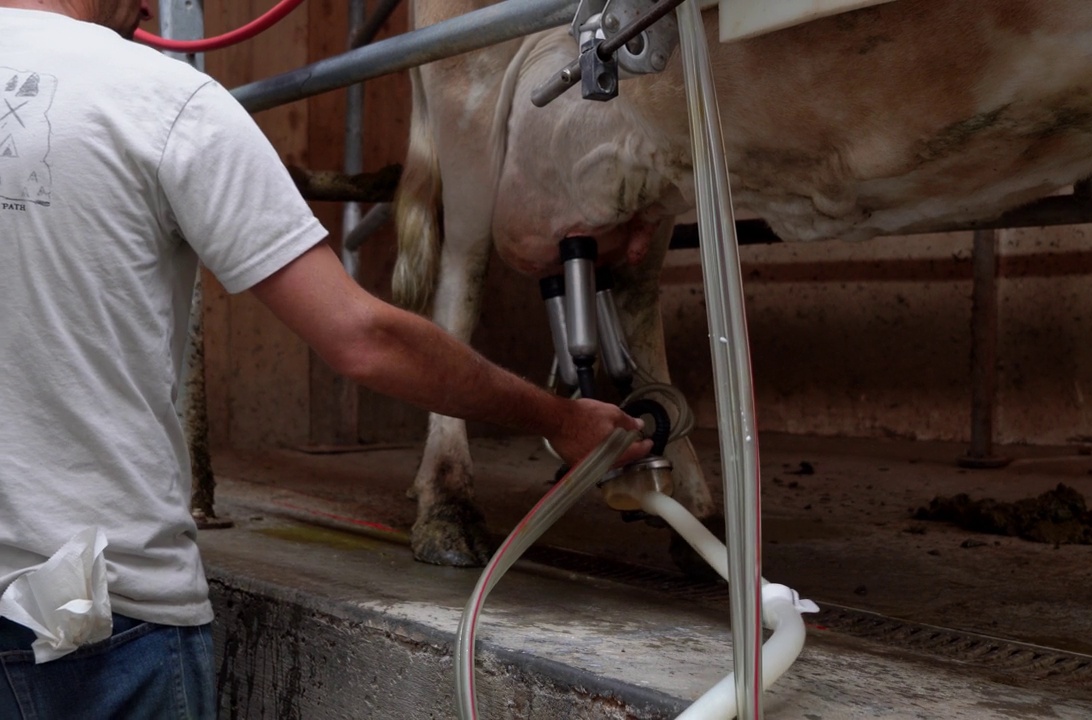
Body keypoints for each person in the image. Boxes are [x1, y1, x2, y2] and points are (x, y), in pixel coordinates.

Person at [0, 0, 652, 716]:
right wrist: (554, 414)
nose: (152, 8)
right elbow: (360, 338)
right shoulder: (161, 101)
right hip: (102, 622)